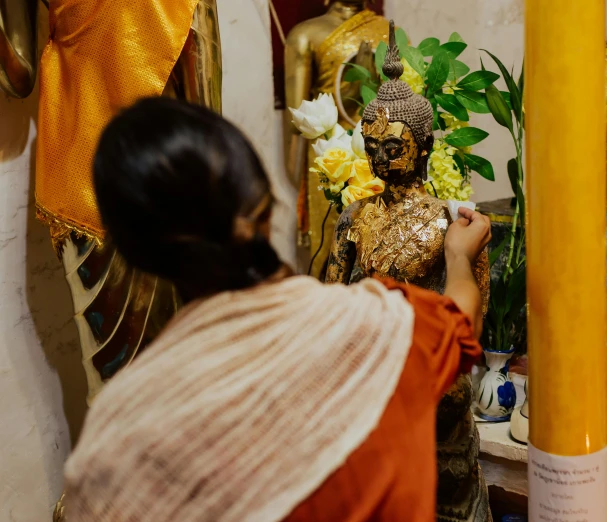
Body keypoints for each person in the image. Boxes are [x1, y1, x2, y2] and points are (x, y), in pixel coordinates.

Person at [62, 97, 492, 522]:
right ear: (264, 204)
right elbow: (459, 320)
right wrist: (459, 257)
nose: (381, 158)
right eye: (371, 144)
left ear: (137, 257)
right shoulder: (382, 326)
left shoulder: (116, 436)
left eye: (393, 147)